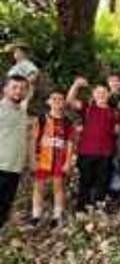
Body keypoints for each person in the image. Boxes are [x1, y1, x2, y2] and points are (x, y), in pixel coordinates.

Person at [66, 77, 116, 211]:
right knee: (85, 182)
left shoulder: (113, 111)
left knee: (102, 183)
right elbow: (70, 101)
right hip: (86, 152)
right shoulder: (88, 108)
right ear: (93, 94)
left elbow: (114, 131)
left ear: (108, 94)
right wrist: (76, 85)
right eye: (98, 92)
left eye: (104, 92)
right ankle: (81, 209)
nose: (101, 94)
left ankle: (98, 208)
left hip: (106, 153)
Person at [28, 91, 75, 227]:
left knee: (58, 188)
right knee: (38, 188)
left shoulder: (67, 122)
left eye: (60, 99)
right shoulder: (41, 119)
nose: (57, 101)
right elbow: (32, 140)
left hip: (59, 160)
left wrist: (68, 161)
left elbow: (70, 143)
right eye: (54, 99)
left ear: (64, 102)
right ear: (48, 101)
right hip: (42, 159)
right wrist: (32, 159)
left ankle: (57, 216)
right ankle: (36, 216)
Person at [0, 76, 31, 229]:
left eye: (22, 88)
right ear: (5, 89)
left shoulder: (22, 112)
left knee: (4, 208)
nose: (18, 91)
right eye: (14, 87)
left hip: (14, 168)